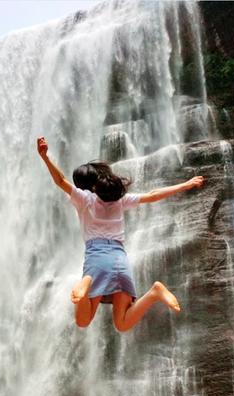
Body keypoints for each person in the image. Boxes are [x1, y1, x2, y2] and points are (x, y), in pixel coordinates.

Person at [36, 136, 204, 331]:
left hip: (96, 257)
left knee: (83, 321)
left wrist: (45, 157)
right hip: (119, 259)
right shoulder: (120, 200)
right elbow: (152, 195)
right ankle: (154, 292)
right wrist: (186, 184)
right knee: (122, 324)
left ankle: (87, 282)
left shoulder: (84, 199)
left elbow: (60, 180)